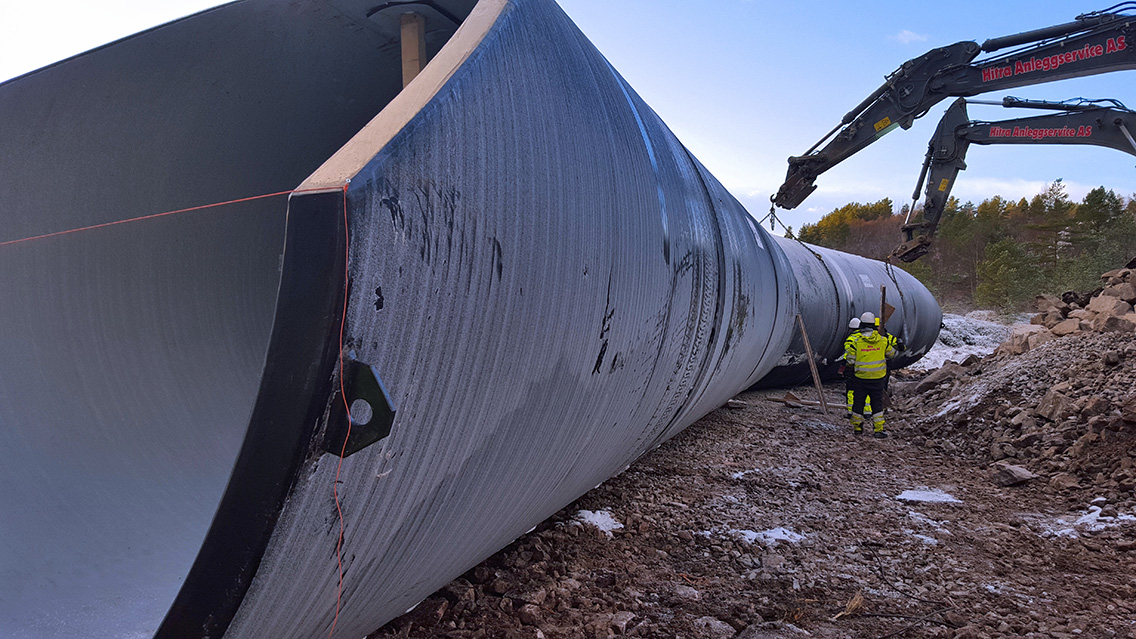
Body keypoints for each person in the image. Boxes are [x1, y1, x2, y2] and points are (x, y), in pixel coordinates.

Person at [844, 311, 897, 438]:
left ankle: (858, 429)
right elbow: (892, 354)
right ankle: (878, 430)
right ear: (874, 325)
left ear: (861, 325)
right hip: (878, 379)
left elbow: (850, 361)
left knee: (858, 403)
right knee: (877, 404)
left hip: (860, 378)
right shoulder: (883, 341)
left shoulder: (856, 342)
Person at [841, 318, 870, 420]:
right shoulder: (865, 337)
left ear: (851, 329)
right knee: (865, 389)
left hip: (853, 368)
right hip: (866, 368)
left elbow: (848, 355)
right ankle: (867, 412)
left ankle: (851, 412)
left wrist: (843, 366)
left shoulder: (851, 339)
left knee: (851, 391)